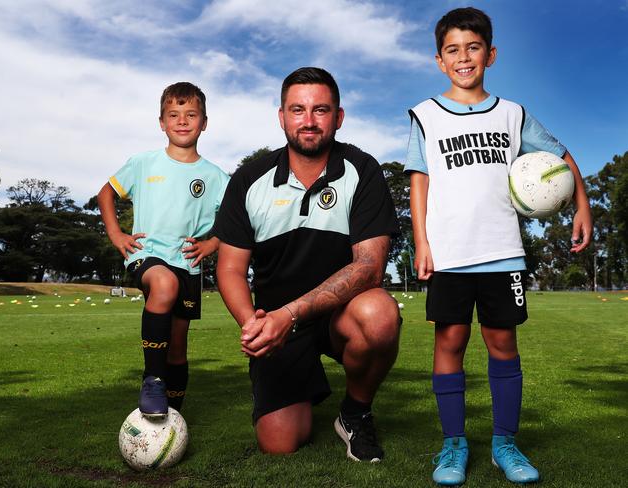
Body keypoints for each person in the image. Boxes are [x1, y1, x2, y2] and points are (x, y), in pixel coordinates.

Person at [406, 7, 592, 485]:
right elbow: (419, 182)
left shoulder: (513, 113)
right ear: (439, 60)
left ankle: (505, 444)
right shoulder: (425, 115)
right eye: (453, 50)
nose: (463, 57)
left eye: (473, 48)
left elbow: (561, 156)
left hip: (502, 250)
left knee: (502, 343)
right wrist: (421, 242)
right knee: (450, 341)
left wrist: (583, 206)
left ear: (490, 54)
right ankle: (453, 446)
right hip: (449, 252)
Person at [214, 67, 401, 462]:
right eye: (298, 110)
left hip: (339, 315)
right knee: (280, 443)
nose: (309, 121)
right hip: (276, 325)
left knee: (380, 315)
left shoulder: (361, 170)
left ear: (339, 117)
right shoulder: (250, 179)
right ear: (281, 116)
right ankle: (300, 385)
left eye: (321, 110)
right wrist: (255, 327)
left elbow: (369, 267)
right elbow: (230, 269)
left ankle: (355, 412)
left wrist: (291, 314)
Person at [98, 82, 229, 417]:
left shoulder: (215, 177)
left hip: (188, 264)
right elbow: (106, 193)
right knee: (164, 284)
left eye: (191, 115)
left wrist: (212, 243)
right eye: (174, 114)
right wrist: (116, 235)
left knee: (178, 346)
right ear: (161, 122)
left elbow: (234, 220)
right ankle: (152, 380)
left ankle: (172, 416)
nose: (182, 121)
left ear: (204, 122)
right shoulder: (144, 163)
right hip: (147, 254)